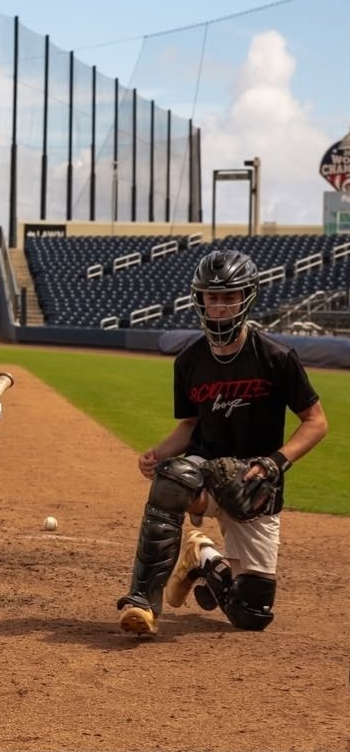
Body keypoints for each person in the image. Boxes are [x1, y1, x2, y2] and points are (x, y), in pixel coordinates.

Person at [116, 248, 328, 637]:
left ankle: (202, 554)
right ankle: (143, 600)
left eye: (229, 297)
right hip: (206, 475)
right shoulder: (189, 362)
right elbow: (189, 425)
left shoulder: (276, 358)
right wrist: (160, 453)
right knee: (173, 477)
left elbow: (316, 422)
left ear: (247, 296)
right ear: (200, 300)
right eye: (212, 297)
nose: (220, 307)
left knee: (251, 614)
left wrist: (274, 462)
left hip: (255, 487)